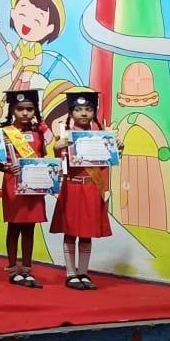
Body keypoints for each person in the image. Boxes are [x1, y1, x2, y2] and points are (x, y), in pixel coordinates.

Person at [50, 90, 121, 291]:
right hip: (72, 187)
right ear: (71, 113)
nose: (83, 113)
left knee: (87, 233)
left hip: (91, 187)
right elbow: (61, 166)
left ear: (94, 112)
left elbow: (105, 165)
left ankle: (83, 273)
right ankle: (71, 274)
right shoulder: (64, 136)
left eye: (88, 109)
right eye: (78, 109)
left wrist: (118, 149)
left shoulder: (101, 137)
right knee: (70, 232)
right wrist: (57, 148)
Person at [0, 89, 50, 288]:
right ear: (12, 110)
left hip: (33, 185)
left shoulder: (39, 133)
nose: (25, 113)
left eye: (30, 109)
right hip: (13, 183)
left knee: (30, 228)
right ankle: (13, 269)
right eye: (20, 109)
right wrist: (5, 167)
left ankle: (27, 269)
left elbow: (43, 157)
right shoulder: (5, 132)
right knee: (14, 227)